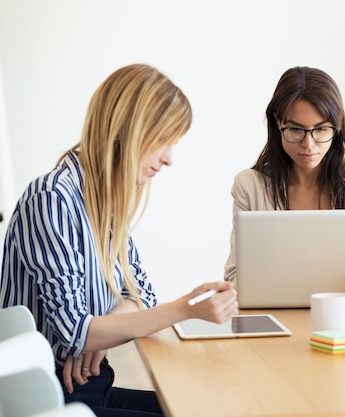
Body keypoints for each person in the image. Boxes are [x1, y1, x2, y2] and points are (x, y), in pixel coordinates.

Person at [0, 64, 239, 416]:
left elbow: (141, 295)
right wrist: (185, 308)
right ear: (129, 130)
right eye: (164, 140)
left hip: (88, 385)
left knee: (207, 405)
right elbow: (76, 333)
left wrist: (105, 331)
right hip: (49, 399)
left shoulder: (104, 203)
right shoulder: (52, 198)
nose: (170, 158)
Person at [224, 66, 345, 282]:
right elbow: (235, 276)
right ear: (278, 123)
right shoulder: (248, 186)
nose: (308, 144)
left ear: (336, 128)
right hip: (275, 313)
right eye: (296, 130)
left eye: (321, 129)